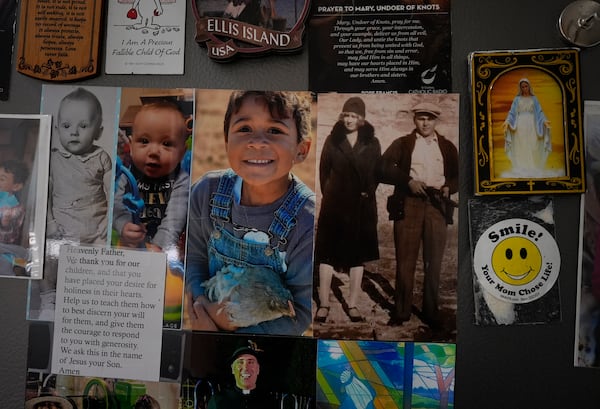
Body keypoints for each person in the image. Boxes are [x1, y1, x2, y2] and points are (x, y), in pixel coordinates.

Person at [185, 91, 314, 336]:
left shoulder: (308, 221)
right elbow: (194, 260)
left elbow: (301, 313)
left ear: (301, 150)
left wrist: (228, 331)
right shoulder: (205, 193)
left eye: (275, 131)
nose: (257, 142)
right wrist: (203, 311)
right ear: (226, 141)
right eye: (244, 129)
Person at [379, 102, 458, 328]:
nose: (425, 123)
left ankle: (431, 312)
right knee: (405, 260)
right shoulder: (403, 143)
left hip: (437, 206)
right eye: (421, 118)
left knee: (433, 261)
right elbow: (382, 167)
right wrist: (408, 181)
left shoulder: (447, 147)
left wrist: (448, 188)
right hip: (409, 204)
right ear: (414, 120)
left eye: (430, 119)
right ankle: (401, 312)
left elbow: (458, 175)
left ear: (436, 121)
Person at [39, 87, 112, 320]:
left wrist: (112, 225)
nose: (74, 133)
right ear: (58, 128)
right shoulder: (54, 159)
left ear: (98, 131)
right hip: (62, 230)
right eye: (67, 126)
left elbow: (112, 190)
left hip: (97, 230)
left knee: (102, 267)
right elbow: (46, 194)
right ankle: (49, 300)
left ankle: (90, 302)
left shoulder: (101, 157)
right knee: (48, 263)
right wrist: (50, 223)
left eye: (83, 126)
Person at [314, 96, 381, 323]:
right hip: (334, 206)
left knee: (356, 257)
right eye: (346, 115)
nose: (350, 120)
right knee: (326, 254)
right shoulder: (333, 140)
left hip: (361, 206)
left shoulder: (372, 143)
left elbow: (376, 174)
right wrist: (332, 196)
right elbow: (324, 172)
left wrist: (366, 193)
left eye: (354, 116)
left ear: (362, 119)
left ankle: (352, 305)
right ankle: (323, 304)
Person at [112, 100, 190, 255]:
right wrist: (123, 225)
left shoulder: (181, 179)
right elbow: (116, 206)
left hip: (165, 246)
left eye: (167, 143)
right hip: (131, 242)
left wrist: (160, 246)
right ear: (132, 145)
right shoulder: (127, 174)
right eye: (144, 141)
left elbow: (174, 220)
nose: (154, 151)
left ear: (182, 152)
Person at [502, 78, 552, 178]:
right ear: (520, 88)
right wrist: (507, 121)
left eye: (526, 86)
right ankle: (521, 168)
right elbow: (512, 112)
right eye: (523, 87)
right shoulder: (517, 99)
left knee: (533, 144)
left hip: (532, 124)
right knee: (521, 145)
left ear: (529, 86)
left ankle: (533, 167)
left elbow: (540, 112)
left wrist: (544, 121)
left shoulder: (534, 99)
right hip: (520, 125)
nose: (525, 88)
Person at [207, 341, 278, 409]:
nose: (245, 368)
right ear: (233, 369)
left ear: (258, 369)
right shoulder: (217, 401)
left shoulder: (270, 402)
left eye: (250, 362)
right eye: (240, 362)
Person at [0, 160, 28, 245]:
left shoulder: (15, 209)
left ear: (16, 186)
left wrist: (5, 224)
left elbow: (8, 237)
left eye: (1, 179)